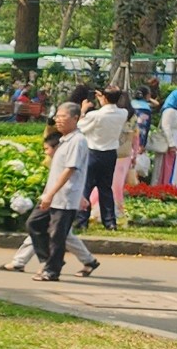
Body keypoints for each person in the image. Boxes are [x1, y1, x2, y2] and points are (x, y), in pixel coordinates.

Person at [29, 100, 93, 281]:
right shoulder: (64, 140)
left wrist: (51, 193)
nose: (58, 120)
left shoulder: (78, 141)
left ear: (75, 118)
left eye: (63, 116)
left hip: (65, 197)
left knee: (57, 235)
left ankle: (52, 270)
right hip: (53, 195)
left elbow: (70, 170)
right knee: (34, 223)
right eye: (57, 116)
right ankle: (47, 261)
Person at [78, 87, 129, 230]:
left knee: (86, 187)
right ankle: (110, 222)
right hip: (110, 154)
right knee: (105, 188)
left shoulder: (95, 115)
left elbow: (80, 127)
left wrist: (83, 110)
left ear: (105, 98)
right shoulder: (122, 113)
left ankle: (82, 221)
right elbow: (113, 108)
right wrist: (104, 100)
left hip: (93, 153)